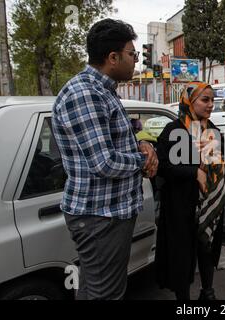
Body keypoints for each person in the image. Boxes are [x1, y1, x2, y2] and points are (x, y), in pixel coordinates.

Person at [52, 19, 158, 300]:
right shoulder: (85, 93)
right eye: (132, 55)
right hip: (100, 216)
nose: (136, 61)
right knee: (107, 294)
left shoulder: (103, 91)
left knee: (93, 289)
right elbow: (105, 163)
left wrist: (143, 143)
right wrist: (144, 160)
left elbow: (118, 135)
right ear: (113, 57)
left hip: (107, 213)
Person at [155, 82, 225, 300]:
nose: (211, 105)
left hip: (206, 202)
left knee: (206, 247)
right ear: (189, 101)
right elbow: (163, 166)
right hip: (179, 205)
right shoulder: (173, 130)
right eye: (205, 100)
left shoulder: (211, 129)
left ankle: (208, 292)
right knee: (181, 255)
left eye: (212, 100)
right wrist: (194, 173)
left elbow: (216, 164)